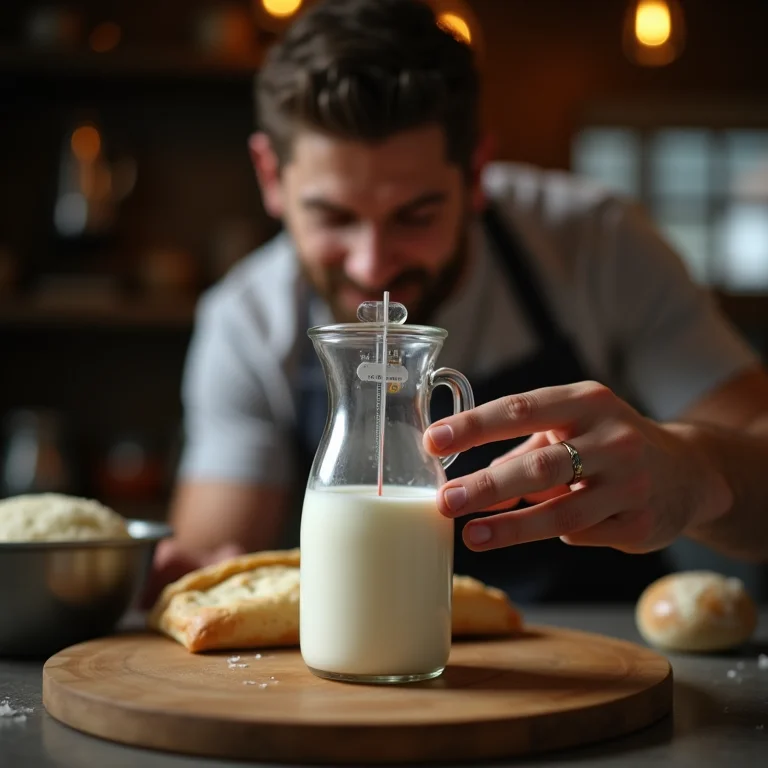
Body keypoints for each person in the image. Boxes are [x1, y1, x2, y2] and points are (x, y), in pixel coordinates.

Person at [147, 0, 768, 605]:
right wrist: (189, 576)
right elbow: (215, 559)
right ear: (269, 176)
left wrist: (696, 472)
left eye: (415, 216)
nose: (371, 264)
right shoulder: (248, 320)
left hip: (602, 653)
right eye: (333, 217)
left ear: (475, 173)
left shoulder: (596, 246)